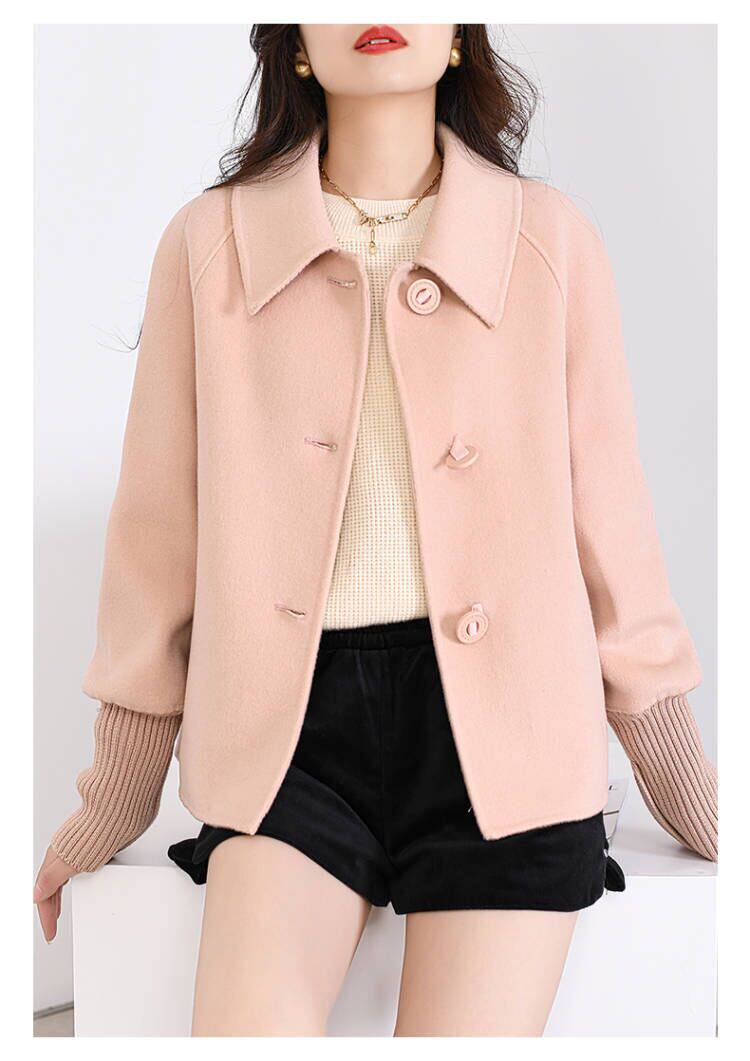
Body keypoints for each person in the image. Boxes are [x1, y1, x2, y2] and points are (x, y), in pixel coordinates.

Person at [35, 24, 717, 1037]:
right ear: (296, 45)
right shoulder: (209, 244)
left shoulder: (549, 240)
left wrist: (691, 791)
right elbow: (156, 551)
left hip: (512, 744)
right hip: (289, 747)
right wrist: (113, 800)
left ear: (460, 38)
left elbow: (616, 541)